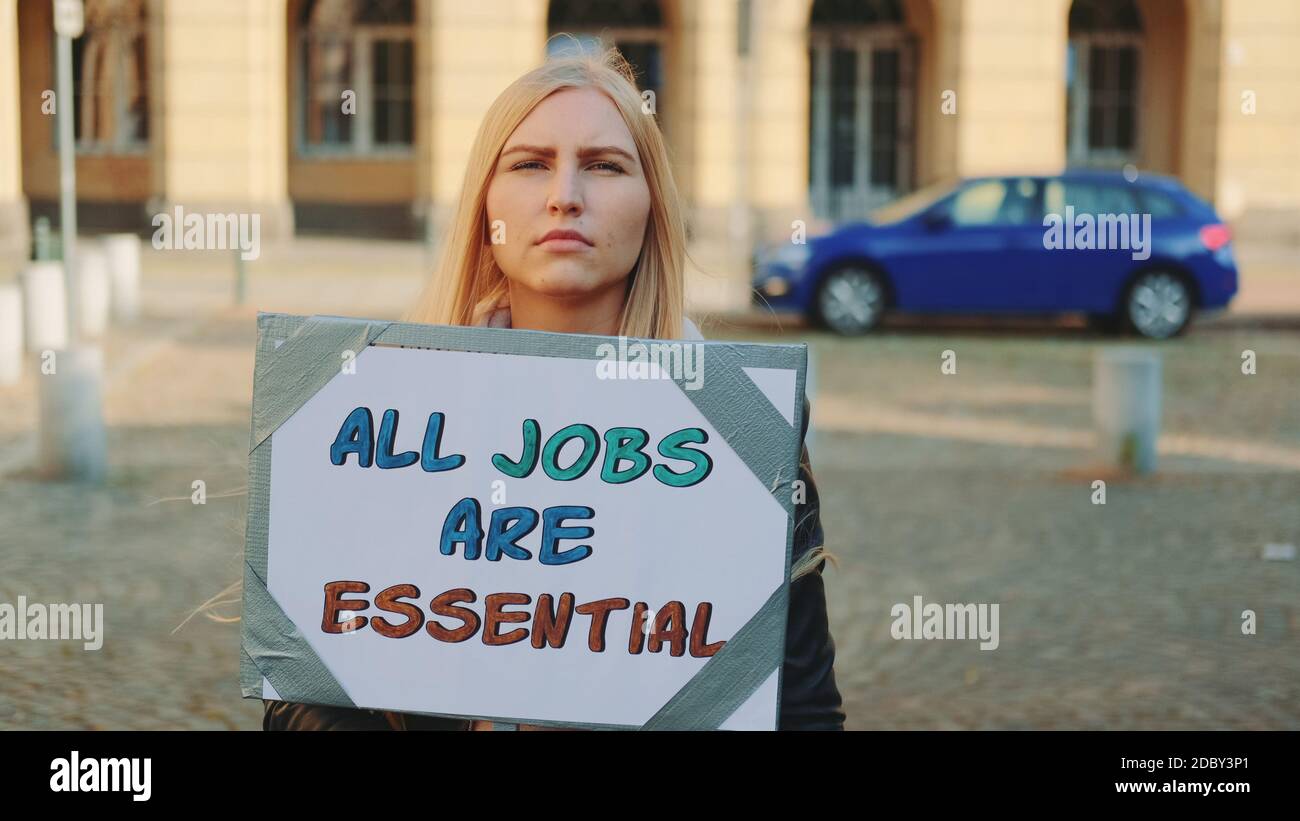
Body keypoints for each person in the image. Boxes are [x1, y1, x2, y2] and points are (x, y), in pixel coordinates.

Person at [262, 45, 844, 731]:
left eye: (604, 165)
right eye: (530, 163)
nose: (565, 194)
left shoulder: (742, 432)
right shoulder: (386, 415)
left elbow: (804, 713)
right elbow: (301, 700)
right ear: (484, 206)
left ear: (653, 208)